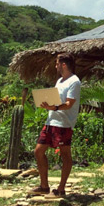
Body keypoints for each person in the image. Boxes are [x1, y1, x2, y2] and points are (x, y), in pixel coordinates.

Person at [30, 53, 81, 197]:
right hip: (51, 121)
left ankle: (61, 189)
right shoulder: (59, 81)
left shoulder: (74, 81)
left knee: (65, 154)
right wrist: (48, 104)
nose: (55, 66)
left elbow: (69, 104)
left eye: (57, 63)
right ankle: (44, 186)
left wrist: (55, 107)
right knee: (38, 151)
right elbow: (57, 100)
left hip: (64, 123)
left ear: (63, 65)